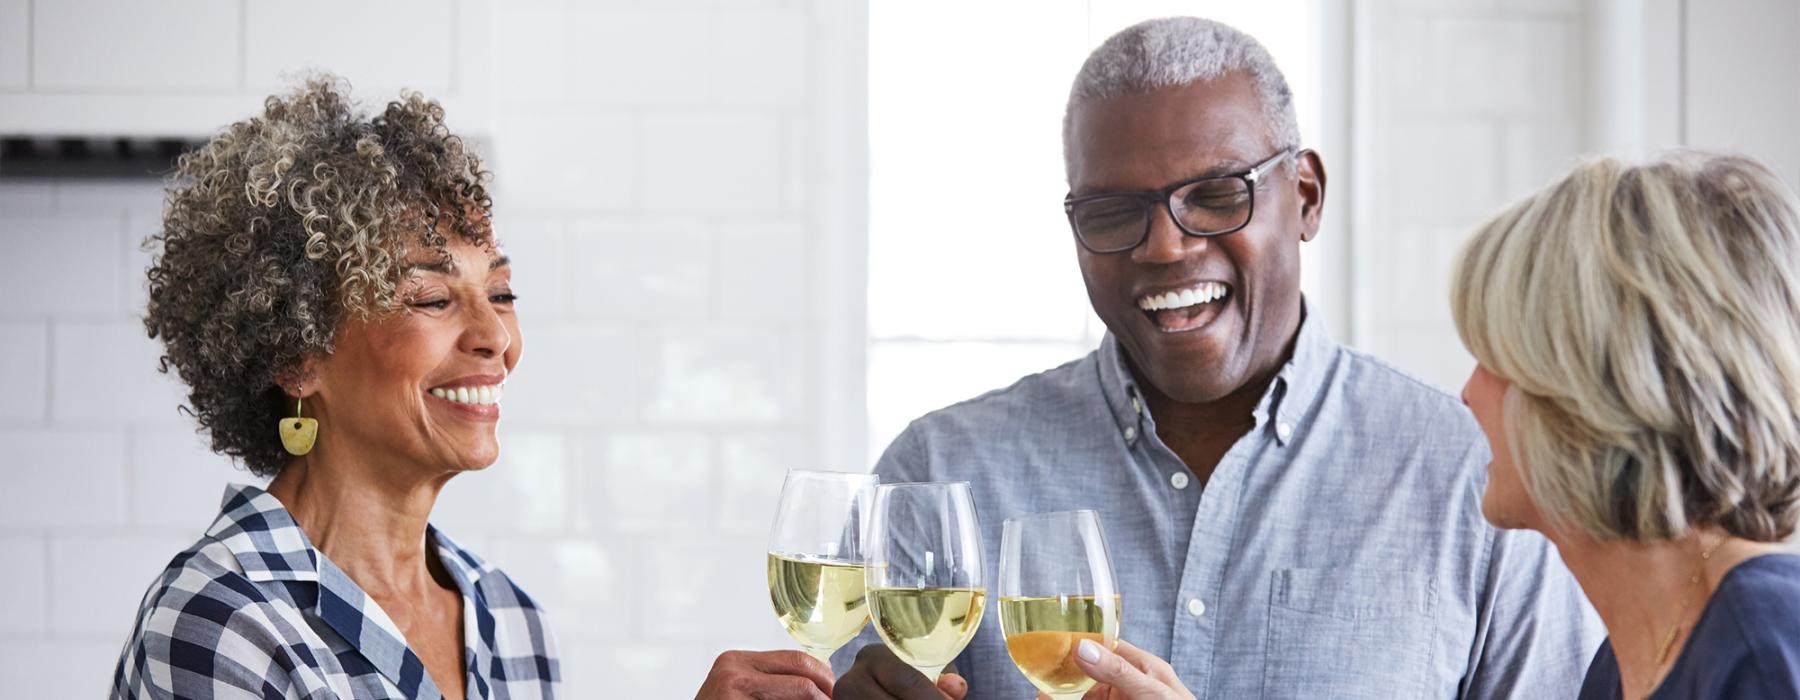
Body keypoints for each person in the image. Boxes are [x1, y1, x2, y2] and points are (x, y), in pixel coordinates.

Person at [833, 17, 1601, 699]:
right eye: (1113, 211)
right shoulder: (940, 474)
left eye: (1215, 196)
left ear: (1305, 197)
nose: (1166, 246)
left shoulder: (1474, 476)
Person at [110, 76, 835, 700]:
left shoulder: (509, 622)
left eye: (502, 291)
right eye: (432, 298)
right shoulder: (224, 621)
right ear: (299, 354)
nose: (496, 337)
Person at [1450, 152, 1800, 700]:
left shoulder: (1765, 644)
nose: (1468, 394)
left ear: (1590, 389)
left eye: (1496, 360)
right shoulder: (1620, 665)